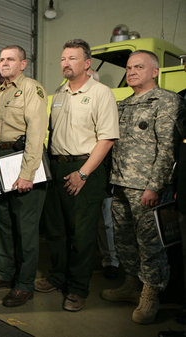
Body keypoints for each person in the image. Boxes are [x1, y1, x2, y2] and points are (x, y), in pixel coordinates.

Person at [101, 50, 184, 324]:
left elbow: (167, 149)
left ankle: (151, 292)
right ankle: (131, 284)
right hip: (120, 183)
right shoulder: (123, 104)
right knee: (124, 240)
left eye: (139, 66)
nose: (132, 71)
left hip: (146, 188)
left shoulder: (167, 101)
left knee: (150, 244)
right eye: (129, 67)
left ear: (155, 71)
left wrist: (155, 186)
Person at [37, 39, 119, 312]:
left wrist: (82, 174)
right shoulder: (58, 93)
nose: (65, 63)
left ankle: (78, 288)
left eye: (72, 58)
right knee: (57, 231)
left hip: (86, 169)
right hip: (58, 167)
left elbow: (106, 139)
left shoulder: (100, 93)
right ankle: (58, 277)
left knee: (82, 234)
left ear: (87, 64)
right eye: (63, 58)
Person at [0, 45, 48, 308]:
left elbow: (36, 132)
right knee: (2, 225)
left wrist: (27, 173)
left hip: (23, 162)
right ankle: (4, 273)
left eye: (10, 59)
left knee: (26, 230)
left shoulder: (32, 88)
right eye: (1, 59)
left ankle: (24, 285)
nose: (4, 62)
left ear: (23, 64)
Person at [87, 67, 120, 279]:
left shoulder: (106, 103)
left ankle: (112, 261)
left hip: (103, 172)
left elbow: (109, 143)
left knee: (106, 221)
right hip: (82, 170)